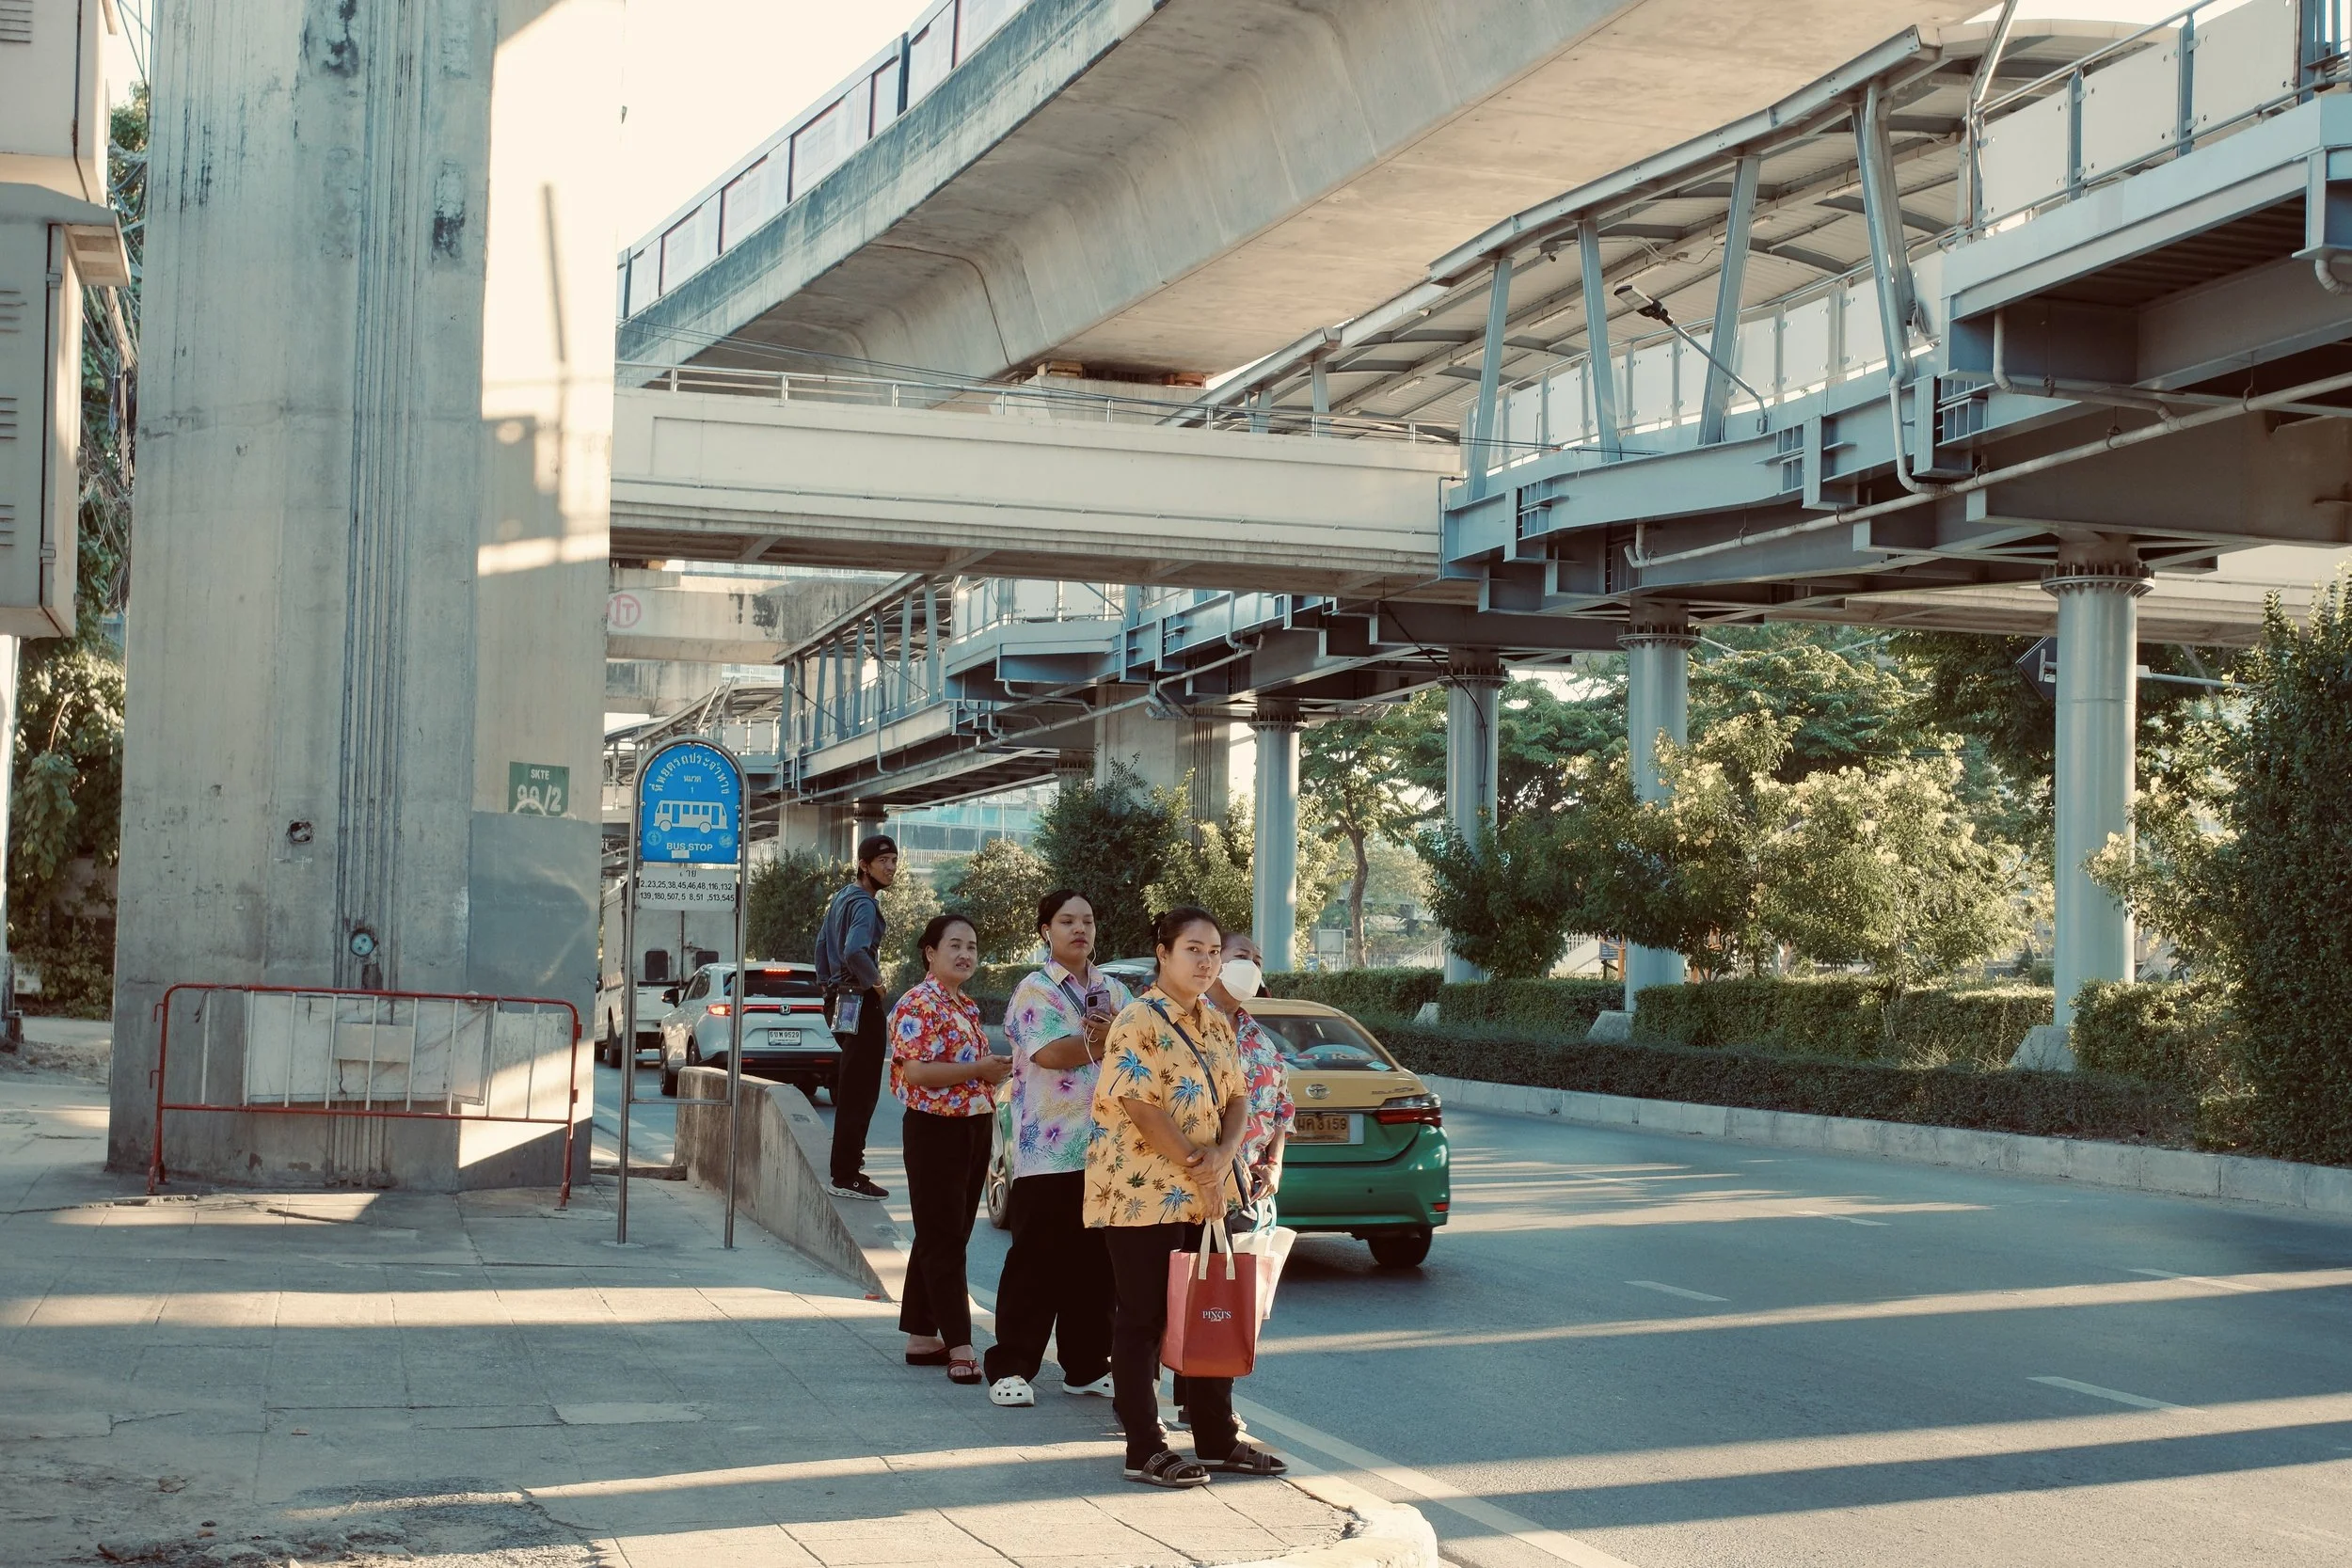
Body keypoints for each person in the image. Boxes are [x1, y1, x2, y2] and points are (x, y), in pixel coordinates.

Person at [1088, 906, 1288, 1488]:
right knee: (1143, 1318)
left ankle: (1217, 1437)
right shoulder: (1137, 1021)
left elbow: (1237, 1099)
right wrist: (1200, 1165)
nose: (1206, 962)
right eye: (1193, 949)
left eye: (1212, 952)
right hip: (1140, 1195)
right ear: (1164, 953)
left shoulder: (1216, 1023)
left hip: (1208, 1193)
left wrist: (1224, 1156)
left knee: (1209, 1311)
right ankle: (1144, 1447)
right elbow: (1141, 1108)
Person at [983, 891, 1133, 1409]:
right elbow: (1050, 1053)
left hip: (1107, 1152)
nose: (1079, 929)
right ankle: (1013, 1366)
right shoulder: (1035, 989)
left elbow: (1139, 1050)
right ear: (1046, 929)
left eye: (1087, 920)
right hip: (1047, 1151)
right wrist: (1106, 1039)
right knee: (1037, 1261)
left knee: (1097, 1267)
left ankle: (1087, 1366)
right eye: (1067, 921)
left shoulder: (1115, 989)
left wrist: (1110, 1034)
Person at [889, 912, 1009, 1386]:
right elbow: (916, 1073)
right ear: (930, 953)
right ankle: (960, 1343)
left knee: (947, 1232)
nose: (965, 955)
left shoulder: (965, 1005)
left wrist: (988, 1071)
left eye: (972, 947)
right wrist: (979, 1069)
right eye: (954, 945)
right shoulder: (919, 1003)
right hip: (935, 1129)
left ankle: (922, 1336)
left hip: (973, 1126)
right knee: (942, 1237)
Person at [817, 834, 898, 1200]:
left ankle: (845, 1170)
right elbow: (854, 950)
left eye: (894, 861)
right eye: (883, 861)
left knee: (852, 1089)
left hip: (839, 1000)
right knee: (860, 1093)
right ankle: (848, 1175)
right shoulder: (864, 903)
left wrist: (827, 987)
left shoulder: (841, 899)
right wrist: (876, 982)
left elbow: (821, 946)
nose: (891, 868)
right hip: (860, 1002)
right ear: (864, 865)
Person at [1208, 932, 1290, 1218]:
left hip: (1250, 1194)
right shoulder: (1186, 1024)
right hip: (1200, 1187)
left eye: (1257, 961)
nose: (1252, 967)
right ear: (1214, 960)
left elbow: (1282, 1108)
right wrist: (1227, 1160)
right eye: (1242, 957)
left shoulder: (1258, 1036)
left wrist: (1274, 1165)